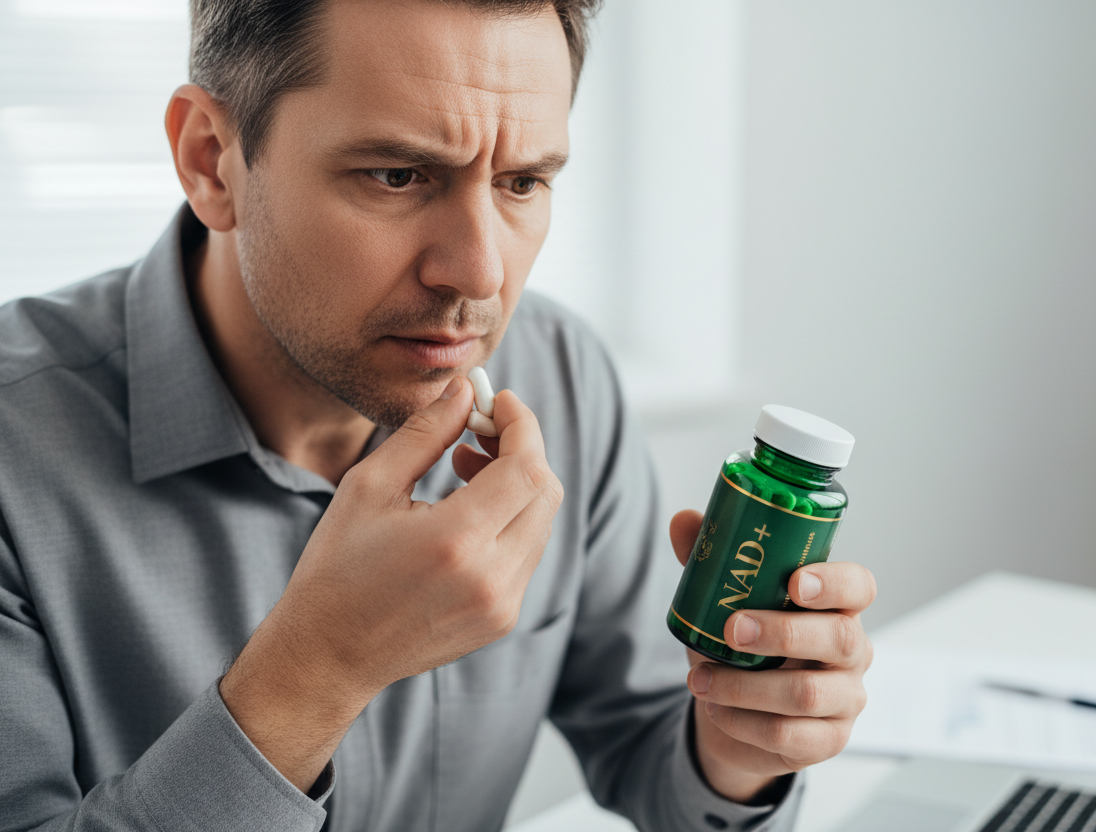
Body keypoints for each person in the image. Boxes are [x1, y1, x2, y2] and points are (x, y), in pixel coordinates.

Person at [0, 1, 876, 830]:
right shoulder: (15, 458)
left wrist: (737, 745)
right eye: (397, 175)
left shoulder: (562, 377)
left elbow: (655, 751)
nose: (480, 274)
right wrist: (318, 669)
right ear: (210, 159)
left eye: (524, 181)